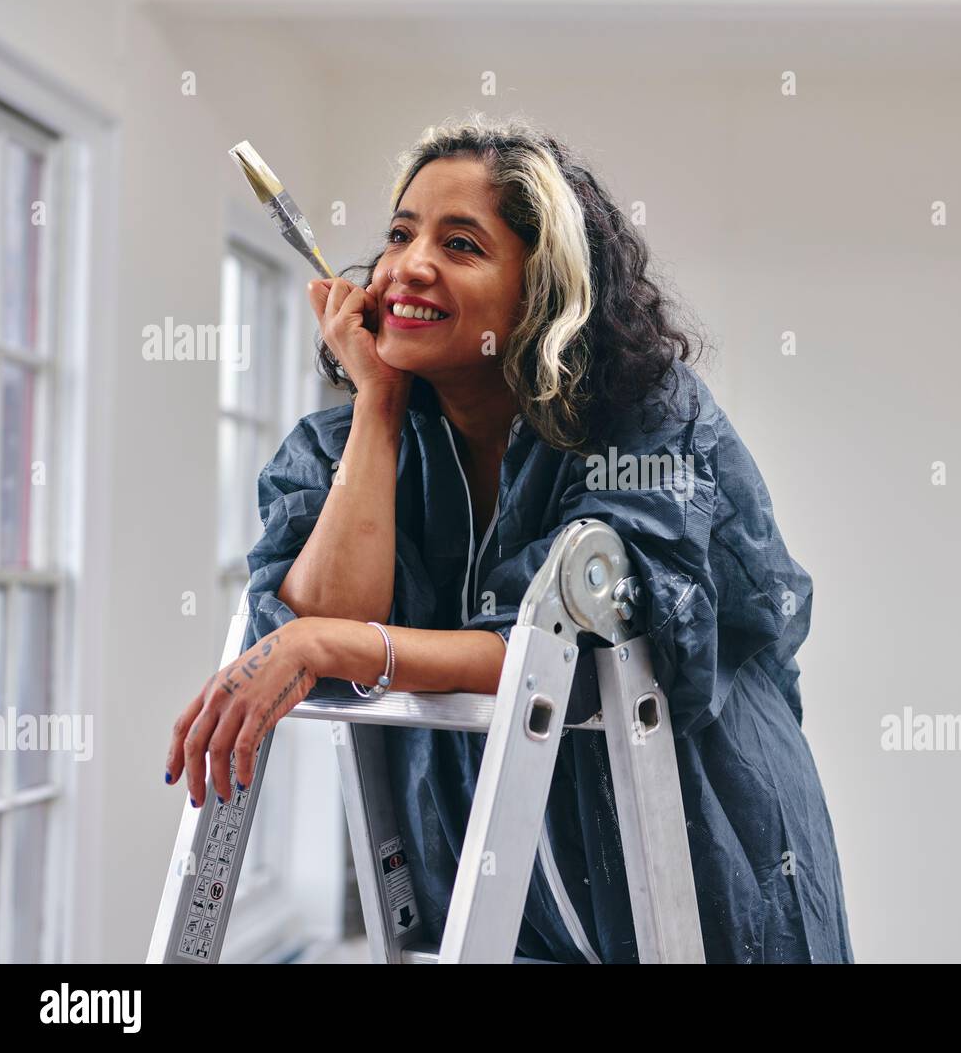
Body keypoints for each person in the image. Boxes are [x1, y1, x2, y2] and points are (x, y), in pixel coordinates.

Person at [164, 114, 853, 964]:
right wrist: (377, 405)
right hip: (486, 881)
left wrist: (327, 641)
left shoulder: (651, 426)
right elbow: (332, 632)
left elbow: (577, 658)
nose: (408, 264)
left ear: (543, 291)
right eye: (399, 234)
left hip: (696, 864)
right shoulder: (338, 450)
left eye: (460, 243)